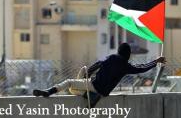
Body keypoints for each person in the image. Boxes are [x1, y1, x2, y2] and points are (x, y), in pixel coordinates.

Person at [33, 43, 166, 106]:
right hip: (104, 91)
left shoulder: (111, 58)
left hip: (93, 84)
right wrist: (156, 61)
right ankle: (91, 96)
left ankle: (48, 92)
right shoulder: (126, 66)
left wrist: (87, 74)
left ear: (118, 51)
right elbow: (141, 68)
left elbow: (96, 65)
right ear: (128, 54)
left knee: (69, 84)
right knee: (72, 89)